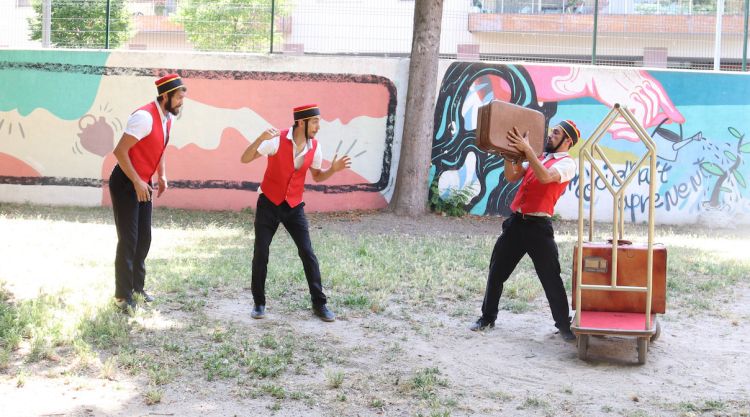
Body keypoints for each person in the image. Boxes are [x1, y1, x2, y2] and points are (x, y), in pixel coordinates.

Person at [470, 120, 581, 342]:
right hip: (516, 223)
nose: (550, 135)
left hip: (539, 228)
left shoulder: (568, 164)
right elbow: (513, 175)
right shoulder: (540, 157)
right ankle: (487, 317)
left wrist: (527, 149)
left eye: (556, 133)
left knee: (551, 277)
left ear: (567, 140)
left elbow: (546, 177)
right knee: (496, 271)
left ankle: (563, 325)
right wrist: (508, 153)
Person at [240, 104, 351, 322]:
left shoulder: (315, 147)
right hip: (269, 204)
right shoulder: (275, 139)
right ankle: (259, 303)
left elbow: (317, 177)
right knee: (261, 252)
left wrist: (333, 170)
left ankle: (320, 304)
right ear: (301, 122)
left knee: (307, 253)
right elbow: (245, 158)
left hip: (294, 206)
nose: (318, 127)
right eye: (315, 122)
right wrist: (260, 139)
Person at [110, 73, 187, 312]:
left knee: (144, 238)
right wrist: (136, 181)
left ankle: (137, 288)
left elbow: (160, 148)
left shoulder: (167, 118)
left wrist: (161, 175)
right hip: (126, 182)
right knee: (129, 239)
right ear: (165, 96)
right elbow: (120, 151)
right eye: (178, 98)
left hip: (144, 182)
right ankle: (122, 297)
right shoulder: (144, 117)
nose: (181, 102)